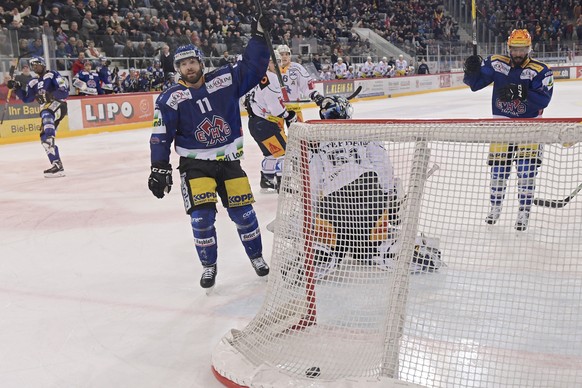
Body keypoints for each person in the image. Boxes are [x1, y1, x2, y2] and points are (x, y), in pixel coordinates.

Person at [148, 15, 273, 290]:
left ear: (201, 62)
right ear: (177, 69)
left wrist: (259, 36)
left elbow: (252, 66)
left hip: (229, 162)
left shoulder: (225, 80)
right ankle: (209, 266)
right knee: (201, 219)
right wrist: (159, 167)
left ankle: (257, 257)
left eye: (192, 61)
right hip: (195, 166)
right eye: (182, 64)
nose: (188, 67)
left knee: (245, 216)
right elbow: (160, 136)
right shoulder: (170, 98)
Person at [282, 96, 442, 282]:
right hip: (368, 193)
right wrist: (390, 201)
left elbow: (313, 180)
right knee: (366, 250)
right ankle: (407, 251)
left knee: (336, 246)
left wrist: (313, 215)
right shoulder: (365, 132)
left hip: (334, 204)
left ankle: (323, 255)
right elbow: (383, 167)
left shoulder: (316, 141)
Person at [463, 29, 554, 231]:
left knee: (526, 171)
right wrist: (471, 70)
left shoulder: (542, 70)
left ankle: (523, 212)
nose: (518, 53)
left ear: (529, 48)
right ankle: (495, 207)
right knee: (498, 172)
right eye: (515, 49)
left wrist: (520, 92)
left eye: (522, 49)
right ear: (509, 47)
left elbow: (544, 99)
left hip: (529, 127)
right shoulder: (497, 63)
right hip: (502, 125)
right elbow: (475, 85)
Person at [8, 56, 69, 177]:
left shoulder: (53, 74)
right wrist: (17, 87)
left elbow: (64, 90)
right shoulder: (33, 82)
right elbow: (27, 99)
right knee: (43, 138)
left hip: (58, 104)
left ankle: (50, 137)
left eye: (37, 64)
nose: (34, 67)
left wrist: (50, 95)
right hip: (47, 109)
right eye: (33, 65)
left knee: (46, 113)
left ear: (43, 64)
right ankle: (57, 165)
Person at [244, 50, 296, 192]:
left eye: (280, 61)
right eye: (275, 62)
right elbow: (275, 109)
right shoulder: (271, 78)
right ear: (267, 63)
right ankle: (282, 184)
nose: (279, 65)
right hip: (265, 124)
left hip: (254, 124)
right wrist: (288, 115)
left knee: (270, 153)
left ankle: (266, 180)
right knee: (284, 154)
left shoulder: (256, 77)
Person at [276, 44, 323, 120]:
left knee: (298, 130)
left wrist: (314, 94)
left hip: (294, 107)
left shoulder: (297, 68)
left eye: (286, 54)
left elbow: (306, 84)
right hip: (277, 108)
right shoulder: (271, 68)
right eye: (281, 54)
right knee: (277, 131)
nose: (284, 56)